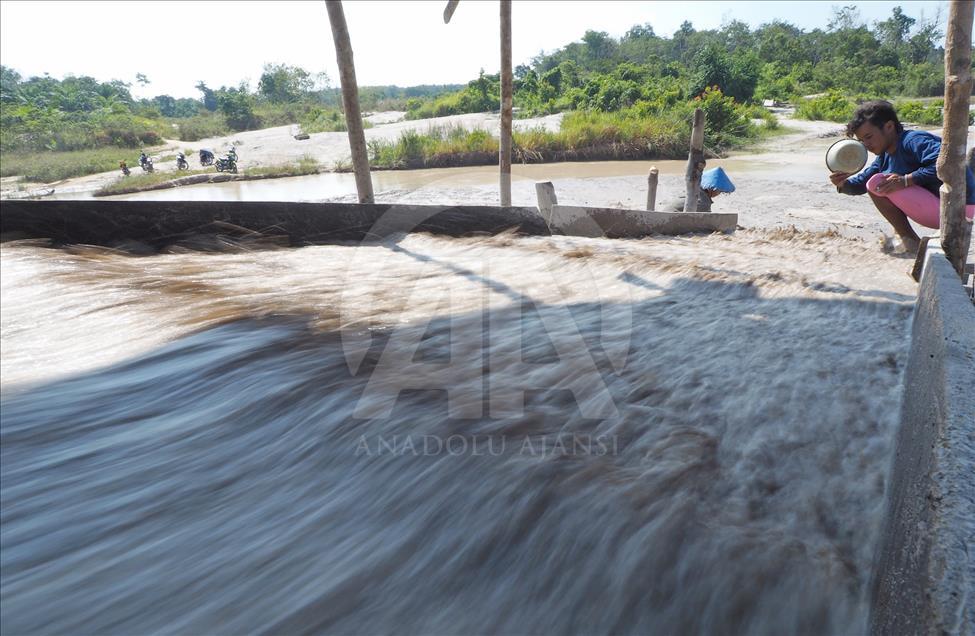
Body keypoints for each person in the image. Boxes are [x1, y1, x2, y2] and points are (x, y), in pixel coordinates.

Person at [829, 99, 975, 253]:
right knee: (876, 182)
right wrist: (842, 184)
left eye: (869, 137)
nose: (866, 144)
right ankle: (911, 242)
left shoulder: (913, 140)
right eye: (861, 140)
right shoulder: (884, 156)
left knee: (877, 183)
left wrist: (906, 180)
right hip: (941, 210)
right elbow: (860, 185)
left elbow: (949, 163)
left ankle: (910, 242)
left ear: (889, 127)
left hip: (958, 210)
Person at [659, 167, 736, 212]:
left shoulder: (692, 190)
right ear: (711, 189)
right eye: (719, 191)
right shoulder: (704, 202)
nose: (718, 194)